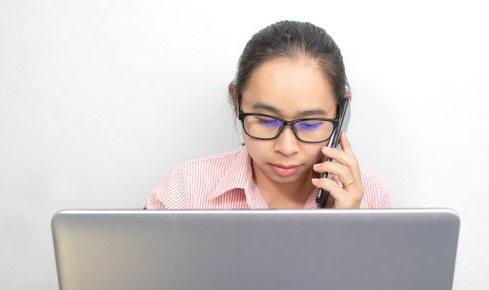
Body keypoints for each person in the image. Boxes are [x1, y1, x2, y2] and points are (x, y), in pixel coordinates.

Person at [145, 20, 390, 209]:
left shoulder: (371, 197)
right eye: (265, 120)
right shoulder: (187, 189)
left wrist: (353, 228)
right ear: (236, 101)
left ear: (341, 113)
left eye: (311, 124)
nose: (286, 147)